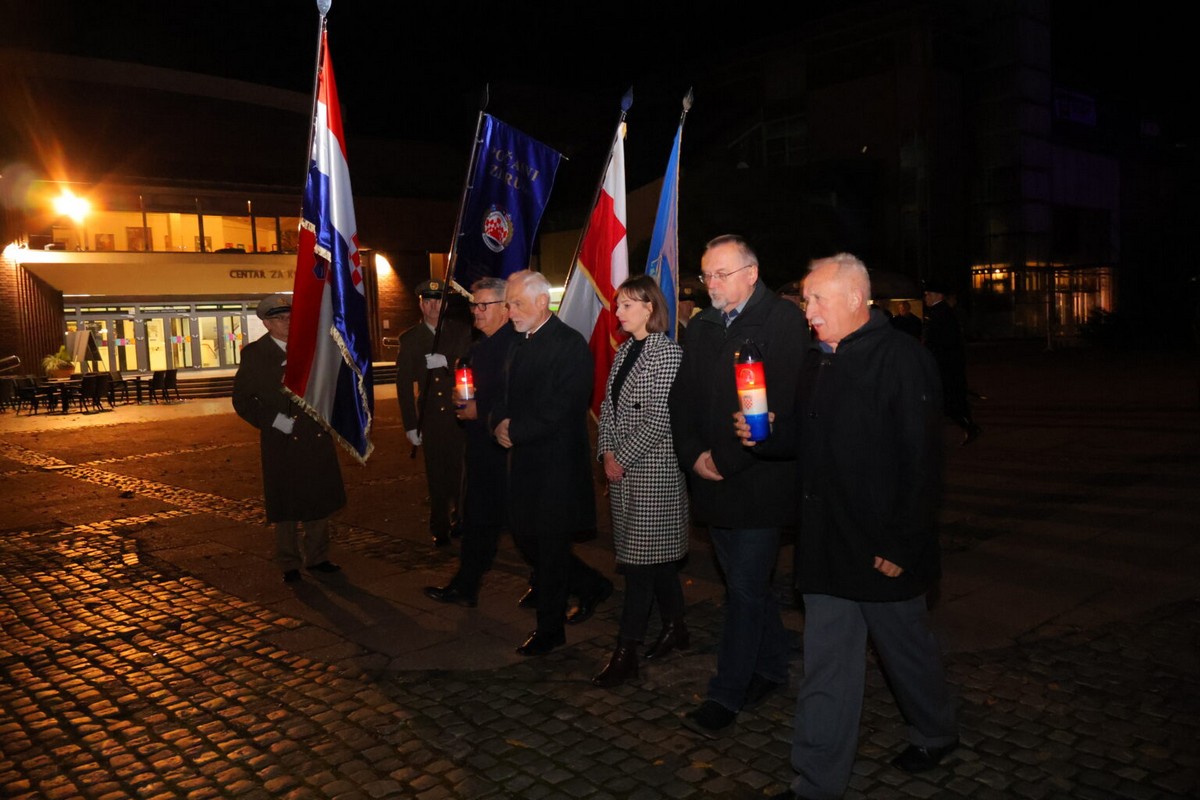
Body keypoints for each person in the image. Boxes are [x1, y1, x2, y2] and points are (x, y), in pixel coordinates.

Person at [739, 254, 957, 800]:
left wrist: (902, 543)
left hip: (882, 545)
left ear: (856, 301)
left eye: (817, 300)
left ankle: (935, 730)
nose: (807, 310)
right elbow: (808, 438)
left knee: (904, 652)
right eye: (807, 299)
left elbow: (923, 463)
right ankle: (816, 782)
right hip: (826, 542)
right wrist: (766, 433)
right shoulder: (819, 360)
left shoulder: (902, 360)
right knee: (826, 668)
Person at [669, 234, 809, 736]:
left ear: (751, 274)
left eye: (720, 274)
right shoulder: (703, 325)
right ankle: (772, 667)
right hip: (710, 480)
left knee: (745, 591)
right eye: (705, 275)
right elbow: (681, 401)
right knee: (748, 587)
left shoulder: (782, 321)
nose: (709, 284)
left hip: (757, 484)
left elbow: (782, 407)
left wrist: (726, 460)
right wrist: (694, 457)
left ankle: (726, 694)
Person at [493, 270, 612, 656]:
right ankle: (593, 584)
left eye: (516, 304)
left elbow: (567, 405)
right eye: (509, 304)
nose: (510, 311)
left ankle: (550, 629)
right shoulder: (517, 343)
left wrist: (518, 428)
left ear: (542, 303)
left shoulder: (569, 345)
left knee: (549, 548)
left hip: (556, 469)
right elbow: (502, 394)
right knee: (528, 541)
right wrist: (497, 424)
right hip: (524, 464)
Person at [592, 275, 689, 688]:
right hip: (625, 472)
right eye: (618, 304)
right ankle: (676, 627)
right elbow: (608, 410)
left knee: (638, 567)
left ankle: (625, 651)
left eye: (626, 305)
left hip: (655, 475)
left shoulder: (667, 354)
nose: (618, 311)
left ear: (649, 307)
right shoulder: (624, 351)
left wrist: (621, 458)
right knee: (657, 559)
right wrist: (606, 453)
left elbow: (659, 419)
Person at [423, 277, 529, 607]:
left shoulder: (519, 347)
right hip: (482, 453)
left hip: (510, 455)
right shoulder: (476, 348)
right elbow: (470, 392)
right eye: (473, 305)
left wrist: (477, 409)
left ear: (506, 309)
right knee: (478, 524)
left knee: (530, 535)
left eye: (484, 305)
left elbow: (521, 401)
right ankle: (465, 584)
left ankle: (585, 583)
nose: (476, 312)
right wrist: (461, 397)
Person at [233, 293, 346, 584]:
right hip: (281, 438)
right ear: (267, 323)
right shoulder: (255, 354)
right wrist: (272, 421)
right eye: (280, 318)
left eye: (290, 317)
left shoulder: (310, 348)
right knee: (285, 503)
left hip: (314, 433)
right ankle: (288, 561)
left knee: (318, 498)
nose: (288, 322)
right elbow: (242, 400)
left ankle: (318, 557)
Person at [396, 278, 473, 546]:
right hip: (431, 417)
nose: (433, 306)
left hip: (459, 412)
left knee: (462, 471)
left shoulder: (461, 331)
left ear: (446, 303)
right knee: (437, 473)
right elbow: (403, 385)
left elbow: (470, 369)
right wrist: (409, 424)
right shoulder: (411, 338)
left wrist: (448, 365)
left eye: (438, 300)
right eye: (427, 301)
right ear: (420, 305)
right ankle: (439, 524)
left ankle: (461, 519)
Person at [922, 280, 981, 445]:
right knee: (947, 401)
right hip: (945, 365)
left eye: (927, 294)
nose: (925, 297)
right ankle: (968, 427)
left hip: (945, 366)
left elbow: (941, 342)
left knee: (948, 401)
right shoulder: (940, 312)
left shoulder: (940, 313)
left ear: (937, 295)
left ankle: (969, 427)